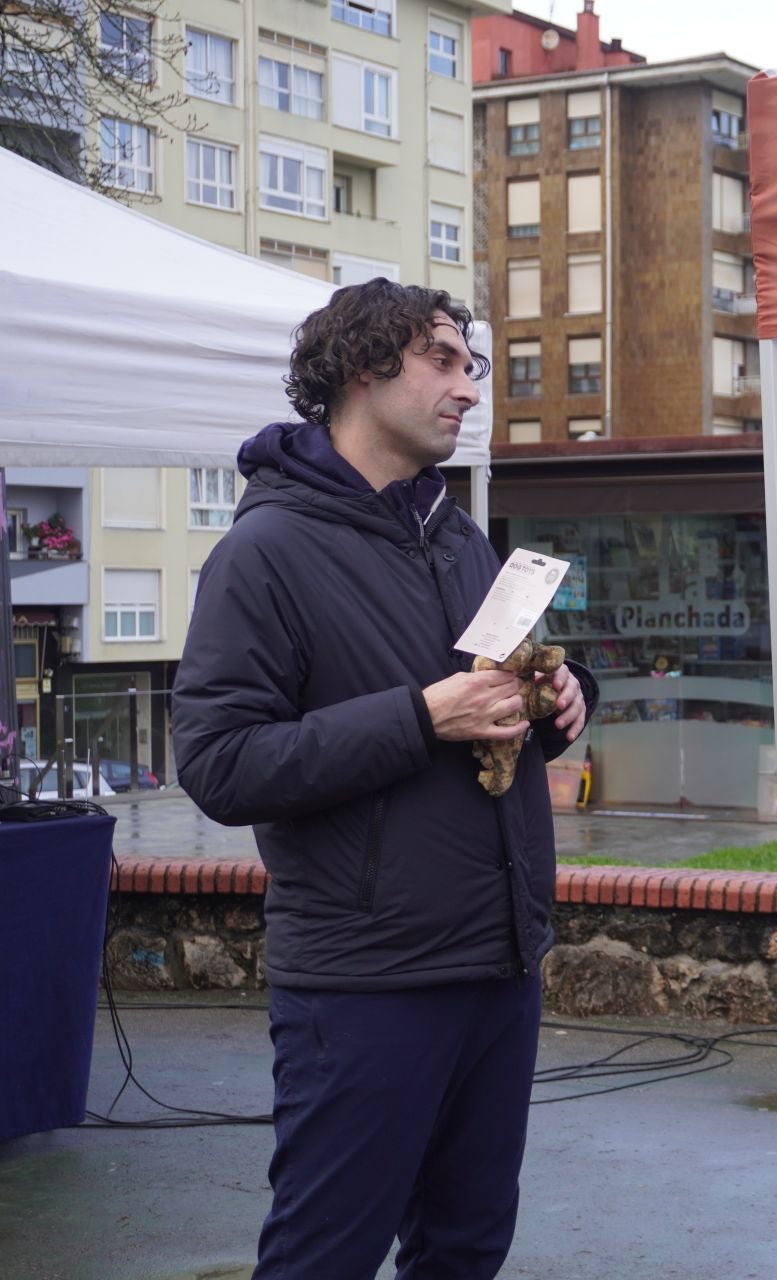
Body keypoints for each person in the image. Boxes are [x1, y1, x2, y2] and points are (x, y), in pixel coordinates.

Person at [171, 280, 596, 1279]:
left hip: (496, 962)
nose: (466, 390)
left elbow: (501, 686)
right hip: (366, 982)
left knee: (466, 1244)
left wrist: (564, 697)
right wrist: (418, 716)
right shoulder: (263, 554)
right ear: (364, 370)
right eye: (443, 362)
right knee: (327, 1253)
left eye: (469, 367)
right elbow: (221, 763)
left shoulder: (454, 535)